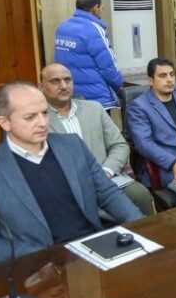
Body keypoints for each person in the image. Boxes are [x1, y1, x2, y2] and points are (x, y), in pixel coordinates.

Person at [0, 82, 142, 264]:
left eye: (44, 113)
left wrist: (141, 226)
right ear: (5, 122)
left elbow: (108, 193)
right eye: (30, 117)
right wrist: (37, 255)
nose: (42, 123)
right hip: (36, 263)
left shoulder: (72, 145)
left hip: (94, 249)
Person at [40, 63, 154, 216]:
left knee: (140, 195)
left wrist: (106, 171)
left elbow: (119, 145)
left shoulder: (94, 109)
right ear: (41, 87)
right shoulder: (39, 120)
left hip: (106, 180)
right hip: (67, 187)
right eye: (55, 81)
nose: (63, 86)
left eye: (67, 80)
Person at [127, 58, 176, 204]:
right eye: (163, 76)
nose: (170, 79)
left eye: (172, 74)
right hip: (167, 168)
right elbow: (144, 144)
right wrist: (173, 162)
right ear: (151, 80)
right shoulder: (139, 107)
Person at [53, 0, 123, 109]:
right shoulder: (94, 30)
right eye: (101, 7)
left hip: (69, 94)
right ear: (95, 8)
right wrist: (118, 86)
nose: (101, 10)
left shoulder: (62, 28)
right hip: (95, 98)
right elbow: (108, 66)